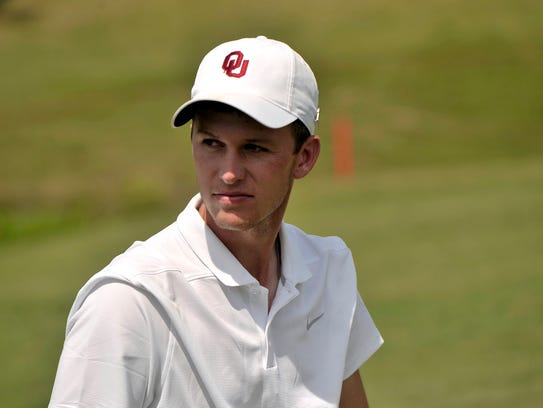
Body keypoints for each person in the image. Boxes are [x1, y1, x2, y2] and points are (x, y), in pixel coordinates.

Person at [49, 35, 383, 408]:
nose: (228, 173)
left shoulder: (327, 271)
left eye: (253, 148)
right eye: (211, 144)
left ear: (304, 157)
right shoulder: (128, 301)